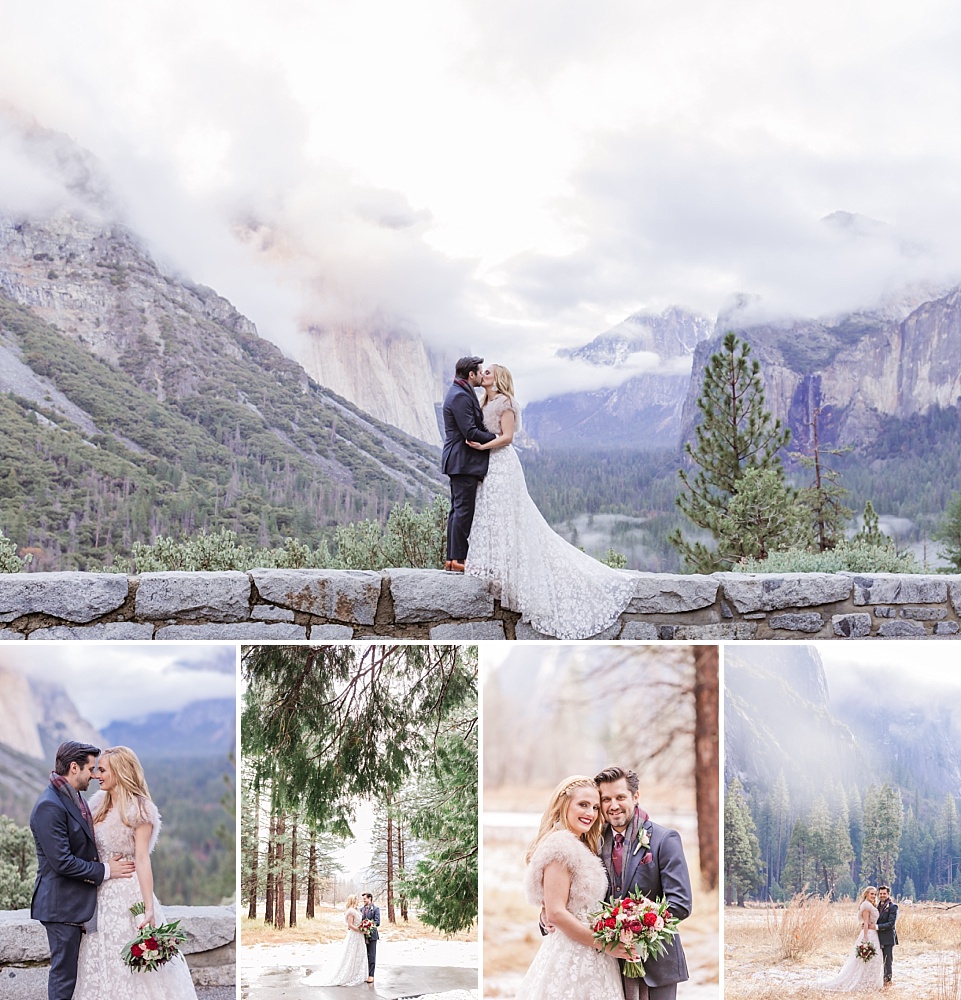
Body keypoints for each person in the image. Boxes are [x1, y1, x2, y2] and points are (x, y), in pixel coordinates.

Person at [465, 364, 637, 638]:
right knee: (490, 515)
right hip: (487, 466)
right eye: (482, 372)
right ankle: (498, 569)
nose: (482, 374)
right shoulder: (484, 400)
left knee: (511, 516)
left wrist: (481, 446)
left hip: (502, 464)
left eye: (487, 373)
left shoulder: (506, 403)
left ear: (498, 379)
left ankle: (518, 574)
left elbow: (508, 438)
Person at [74, 745, 198, 1000]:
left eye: (103, 770)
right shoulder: (96, 804)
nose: (97, 775)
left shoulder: (140, 811)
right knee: (100, 957)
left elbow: (142, 859)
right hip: (99, 893)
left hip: (127, 894)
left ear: (120, 772)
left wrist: (148, 906)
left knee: (131, 963)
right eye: (96, 770)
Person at [29, 741, 136, 1000]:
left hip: (75, 903)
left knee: (72, 977)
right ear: (74, 767)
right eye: (90, 769)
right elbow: (62, 862)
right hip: (60, 905)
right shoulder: (49, 805)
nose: (95, 774)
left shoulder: (72, 796)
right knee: (64, 978)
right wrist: (106, 869)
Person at [514, 775, 635, 1000]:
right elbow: (557, 913)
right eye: (583, 805)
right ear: (563, 804)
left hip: (592, 956)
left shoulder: (581, 844)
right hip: (573, 956)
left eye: (595, 807)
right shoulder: (561, 846)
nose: (590, 813)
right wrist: (604, 945)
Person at [595, 766, 692, 1000]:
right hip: (608, 965)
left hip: (657, 966)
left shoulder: (664, 840)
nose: (613, 805)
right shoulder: (593, 842)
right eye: (606, 799)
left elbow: (680, 904)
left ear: (635, 796)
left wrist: (635, 926)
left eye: (620, 797)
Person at [441, 356, 497, 572]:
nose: (482, 375)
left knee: (458, 510)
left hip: (461, 461)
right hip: (462, 461)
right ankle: (458, 559)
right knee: (463, 511)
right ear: (471, 374)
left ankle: (452, 559)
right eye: (480, 372)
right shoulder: (460, 396)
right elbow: (470, 432)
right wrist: (498, 438)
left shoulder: (461, 392)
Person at [821, 886, 884, 992]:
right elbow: (865, 924)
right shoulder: (866, 906)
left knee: (875, 959)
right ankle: (863, 981)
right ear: (866, 894)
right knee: (867, 958)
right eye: (871, 894)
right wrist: (865, 939)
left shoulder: (871, 905)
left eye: (874, 894)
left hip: (874, 933)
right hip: (869, 934)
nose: (874, 896)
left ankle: (871, 981)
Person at [303, 894, 368, 987]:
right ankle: (349, 975)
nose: (359, 901)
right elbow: (350, 925)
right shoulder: (351, 911)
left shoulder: (357, 910)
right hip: (354, 935)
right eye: (357, 899)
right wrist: (360, 930)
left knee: (359, 954)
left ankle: (358, 974)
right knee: (351, 954)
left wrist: (363, 927)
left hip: (360, 936)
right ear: (353, 901)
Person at [876, 885, 898, 986]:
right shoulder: (877, 906)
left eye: (884, 893)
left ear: (888, 894)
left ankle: (888, 981)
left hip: (888, 938)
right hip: (877, 938)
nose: (882, 895)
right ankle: (880, 979)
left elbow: (891, 923)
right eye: (880, 893)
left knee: (887, 960)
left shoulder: (893, 906)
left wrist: (876, 927)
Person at [361, 892, 381, 983]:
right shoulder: (361, 909)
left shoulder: (376, 909)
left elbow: (377, 922)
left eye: (365, 899)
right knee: (363, 955)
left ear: (370, 899)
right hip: (361, 936)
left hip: (372, 935)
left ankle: (371, 975)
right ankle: (363, 974)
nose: (363, 901)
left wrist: (368, 925)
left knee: (372, 955)